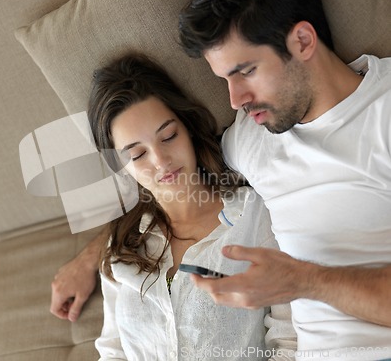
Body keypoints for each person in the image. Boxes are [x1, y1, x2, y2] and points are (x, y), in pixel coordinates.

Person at [177, 0, 391, 360]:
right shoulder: (251, 136)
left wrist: (302, 281)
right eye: (224, 80)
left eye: (246, 71)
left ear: (303, 41)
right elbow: (167, 174)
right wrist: (97, 253)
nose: (235, 100)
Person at [86, 53, 296, 360]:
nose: (161, 160)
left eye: (168, 136)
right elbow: (113, 352)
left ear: (188, 129)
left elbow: (289, 343)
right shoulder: (121, 245)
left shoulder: (255, 218)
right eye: (137, 155)